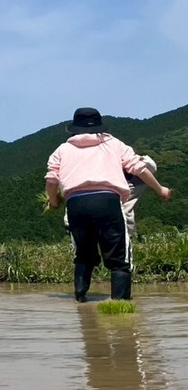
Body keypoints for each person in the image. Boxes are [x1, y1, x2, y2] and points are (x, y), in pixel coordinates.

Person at [45, 107, 172, 302]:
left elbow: (52, 179)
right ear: (99, 127)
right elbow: (139, 168)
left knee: (84, 255)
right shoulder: (113, 144)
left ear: (74, 129)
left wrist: (53, 202)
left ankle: (81, 300)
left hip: (76, 206)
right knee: (120, 260)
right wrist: (160, 189)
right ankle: (120, 306)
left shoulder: (62, 149)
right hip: (108, 202)